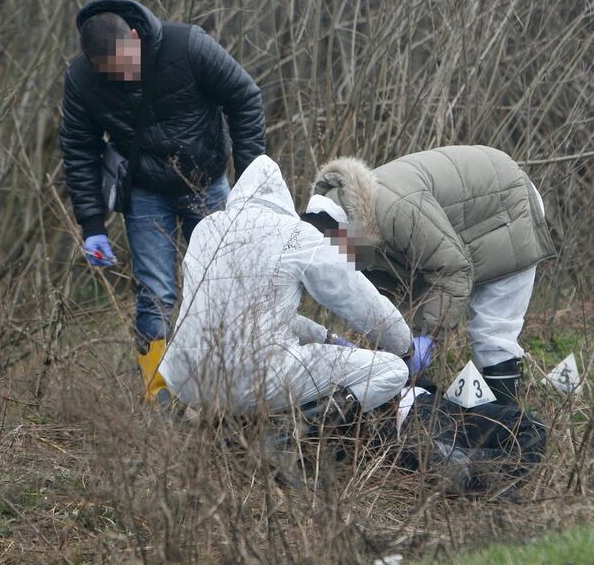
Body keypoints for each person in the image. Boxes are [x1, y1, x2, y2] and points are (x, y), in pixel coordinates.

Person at [160, 154, 547, 493]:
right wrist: (407, 346)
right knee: (394, 370)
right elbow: (357, 300)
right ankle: (291, 434)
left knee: (493, 336)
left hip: (184, 377)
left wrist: (331, 337)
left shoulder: (207, 230)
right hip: (261, 376)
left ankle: (225, 433)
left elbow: (260, 318)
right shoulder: (294, 235)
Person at [60, 0, 266, 403]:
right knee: (155, 296)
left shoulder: (187, 45)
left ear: (135, 37)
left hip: (206, 183)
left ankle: (235, 391)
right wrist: (92, 225)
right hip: (145, 193)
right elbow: (78, 149)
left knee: (228, 285)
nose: (124, 75)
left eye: (127, 63)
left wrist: (250, 183)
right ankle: (160, 400)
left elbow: (245, 98)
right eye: (112, 72)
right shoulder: (82, 80)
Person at [303, 146, 556, 405]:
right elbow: (393, 291)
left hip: (506, 202)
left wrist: (430, 337)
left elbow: (452, 269)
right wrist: (394, 345)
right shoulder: (341, 225)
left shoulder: (392, 212)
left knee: (493, 333)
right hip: (463, 220)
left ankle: (508, 423)